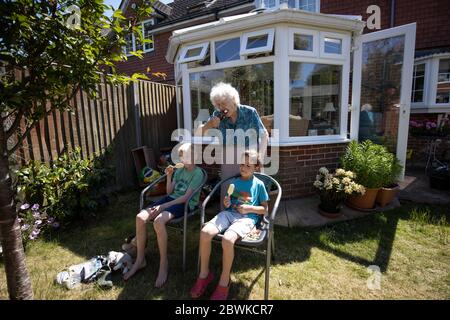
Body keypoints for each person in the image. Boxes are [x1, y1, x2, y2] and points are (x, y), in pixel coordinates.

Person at [190, 150, 269, 300]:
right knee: (205, 232)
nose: (243, 168)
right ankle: (204, 274)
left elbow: (265, 209)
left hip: (247, 219)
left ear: (256, 168)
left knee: (227, 239)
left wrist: (250, 208)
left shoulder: (259, 185)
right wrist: (227, 203)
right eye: (242, 164)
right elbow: (229, 202)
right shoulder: (235, 183)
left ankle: (224, 282)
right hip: (229, 214)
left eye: (248, 165)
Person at [123, 143, 204, 287]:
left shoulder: (197, 173)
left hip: (185, 204)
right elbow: (169, 192)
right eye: (182, 157)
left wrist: (163, 206)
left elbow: (185, 198)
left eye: (187, 156)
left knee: (158, 221)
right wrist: (169, 176)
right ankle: (140, 259)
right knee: (140, 217)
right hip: (171, 199)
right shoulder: (179, 171)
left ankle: (163, 264)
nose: (184, 159)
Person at [194, 82, 269, 207]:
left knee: (249, 188)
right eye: (218, 105)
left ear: (233, 100)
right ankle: (226, 215)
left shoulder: (250, 112)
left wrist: (260, 156)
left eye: (223, 103)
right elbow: (198, 134)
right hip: (228, 155)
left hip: (248, 155)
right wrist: (209, 125)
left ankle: (252, 218)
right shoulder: (217, 116)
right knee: (228, 187)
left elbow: (264, 134)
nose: (221, 107)